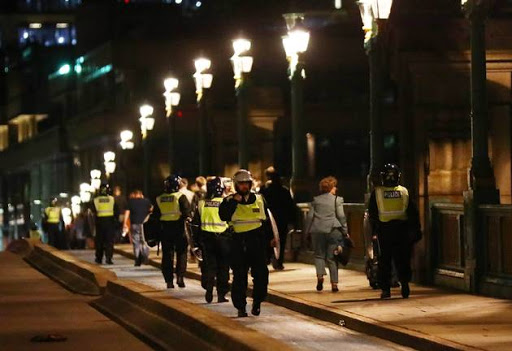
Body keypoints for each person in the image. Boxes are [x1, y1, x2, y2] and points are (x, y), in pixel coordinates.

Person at [219, 169, 273, 317]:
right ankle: (241, 307)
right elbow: (223, 216)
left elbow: (268, 222)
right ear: (236, 185)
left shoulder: (260, 199)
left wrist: (272, 239)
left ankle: (257, 302)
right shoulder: (229, 201)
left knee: (261, 274)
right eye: (241, 184)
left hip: (257, 241)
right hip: (238, 241)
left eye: (246, 184)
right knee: (239, 276)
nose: (244, 186)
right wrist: (234, 202)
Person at [368, 163, 421, 299]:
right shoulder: (404, 192)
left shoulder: (377, 192)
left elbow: (372, 214)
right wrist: (416, 231)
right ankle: (405, 285)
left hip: (384, 231)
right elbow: (413, 213)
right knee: (403, 259)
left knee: (384, 261)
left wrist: (373, 232)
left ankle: (386, 290)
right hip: (402, 230)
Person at [305, 176, 348, 293]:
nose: (336, 188)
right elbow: (341, 217)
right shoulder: (337, 200)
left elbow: (310, 217)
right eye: (334, 186)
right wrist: (345, 231)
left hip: (317, 231)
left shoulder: (315, 200)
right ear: (330, 188)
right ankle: (334, 284)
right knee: (332, 258)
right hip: (333, 230)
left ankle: (320, 277)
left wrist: (307, 232)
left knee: (319, 255)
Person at [194, 177, 230, 303]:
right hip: (224, 239)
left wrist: (196, 243)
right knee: (223, 267)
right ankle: (221, 294)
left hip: (207, 239)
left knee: (209, 266)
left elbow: (196, 224)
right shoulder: (226, 202)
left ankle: (209, 289)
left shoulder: (201, 203)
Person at [155, 175, 191, 288]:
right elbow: (187, 212)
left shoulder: (159, 198)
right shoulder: (181, 196)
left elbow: (155, 216)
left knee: (167, 255)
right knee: (182, 253)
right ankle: (180, 277)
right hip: (179, 228)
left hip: (165, 229)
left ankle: (169, 281)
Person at [259, 166, 296, 270]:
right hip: (282, 218)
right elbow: (290, 205)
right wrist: (292, 220)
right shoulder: (284, 191)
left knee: (267, 239)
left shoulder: (264, 190)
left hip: (268, 218)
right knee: (281, 240)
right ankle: (279, 261)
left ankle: (267, 258)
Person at [124, 190, 153, 266]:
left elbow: (127, 213)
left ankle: (137, 258)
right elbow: (151, 210)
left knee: (136, 242)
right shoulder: (146, 201)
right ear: (141, 195)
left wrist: (125, 223)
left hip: (134, 224)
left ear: (135, 195)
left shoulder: (131, 202)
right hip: (144, 224)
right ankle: (145, 257)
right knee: (144, 241)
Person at [92, 183, 118, 264]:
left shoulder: (96, 200)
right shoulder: (112, 199)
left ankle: (99, 258)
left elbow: (93, 212)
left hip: (99, 223)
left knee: (99, 241)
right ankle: (109, 258)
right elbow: (116, 211)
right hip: (110, 223)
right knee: (109, 241)